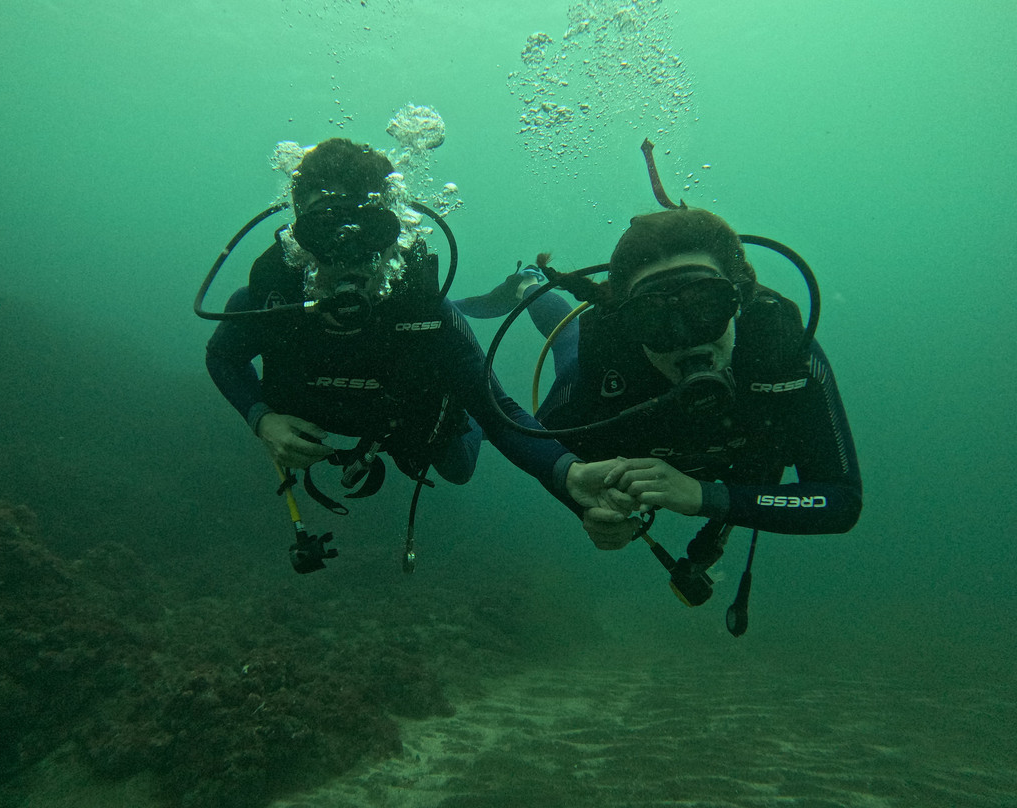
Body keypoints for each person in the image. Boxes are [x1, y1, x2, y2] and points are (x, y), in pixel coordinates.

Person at [204, 137, 625, 553]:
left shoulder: (427, 317)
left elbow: (500, 414)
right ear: (298, 238)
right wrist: (261, 418)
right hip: (354, 405)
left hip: (407, 418)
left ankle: (522, 287)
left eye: (371, 230)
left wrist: (570, 477)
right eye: (324, 231)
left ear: (395, 236)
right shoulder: (267, 302)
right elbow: (222, 356)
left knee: (458, 468)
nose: (350, 255)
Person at [458, 207, 862, 554]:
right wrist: (587, 506)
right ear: (627, 322)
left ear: (738, 299)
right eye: (653, 317)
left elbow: (841, 501)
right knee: (568, 340)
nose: (687, 339)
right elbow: (538, 442)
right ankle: (529, 283)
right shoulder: (604, 366)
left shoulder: (782, 354)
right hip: (593, 358)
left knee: (568, 339)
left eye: (706, 306)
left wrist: (704, 497)